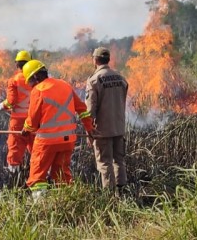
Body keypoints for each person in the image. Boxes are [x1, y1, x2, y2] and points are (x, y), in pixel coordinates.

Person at [20, 60, 93, 197]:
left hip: (47, 142)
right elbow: (82, 110)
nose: (30, 85)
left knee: (37, 176)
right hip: (68, 141)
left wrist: (26, 129)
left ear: (36, 77)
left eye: (30, 81)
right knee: (62, 176)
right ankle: (65, 204)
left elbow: (33, 120)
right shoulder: (65, 85)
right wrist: (89, 129)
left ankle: (40, 209)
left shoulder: (39, 90)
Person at [85, 47, 129, 192]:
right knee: (119, 161)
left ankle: (109, 197)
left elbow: (90, 111)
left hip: (102, 130)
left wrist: (89, 131)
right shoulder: (120, 78)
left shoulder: (94, 80)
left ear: (95, 60)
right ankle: (122, 193)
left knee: (105, 163)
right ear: (108, 59)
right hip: (119, 127)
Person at [0, 50, 34, 173]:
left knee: (15, 147)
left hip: (18, 121)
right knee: (36, 148)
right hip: (34, 119)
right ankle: (40, 173)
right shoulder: (36, 79)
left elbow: (11, 101)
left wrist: (0, 105)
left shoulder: (14, 80)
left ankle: (14, 176)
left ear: (17, 65)